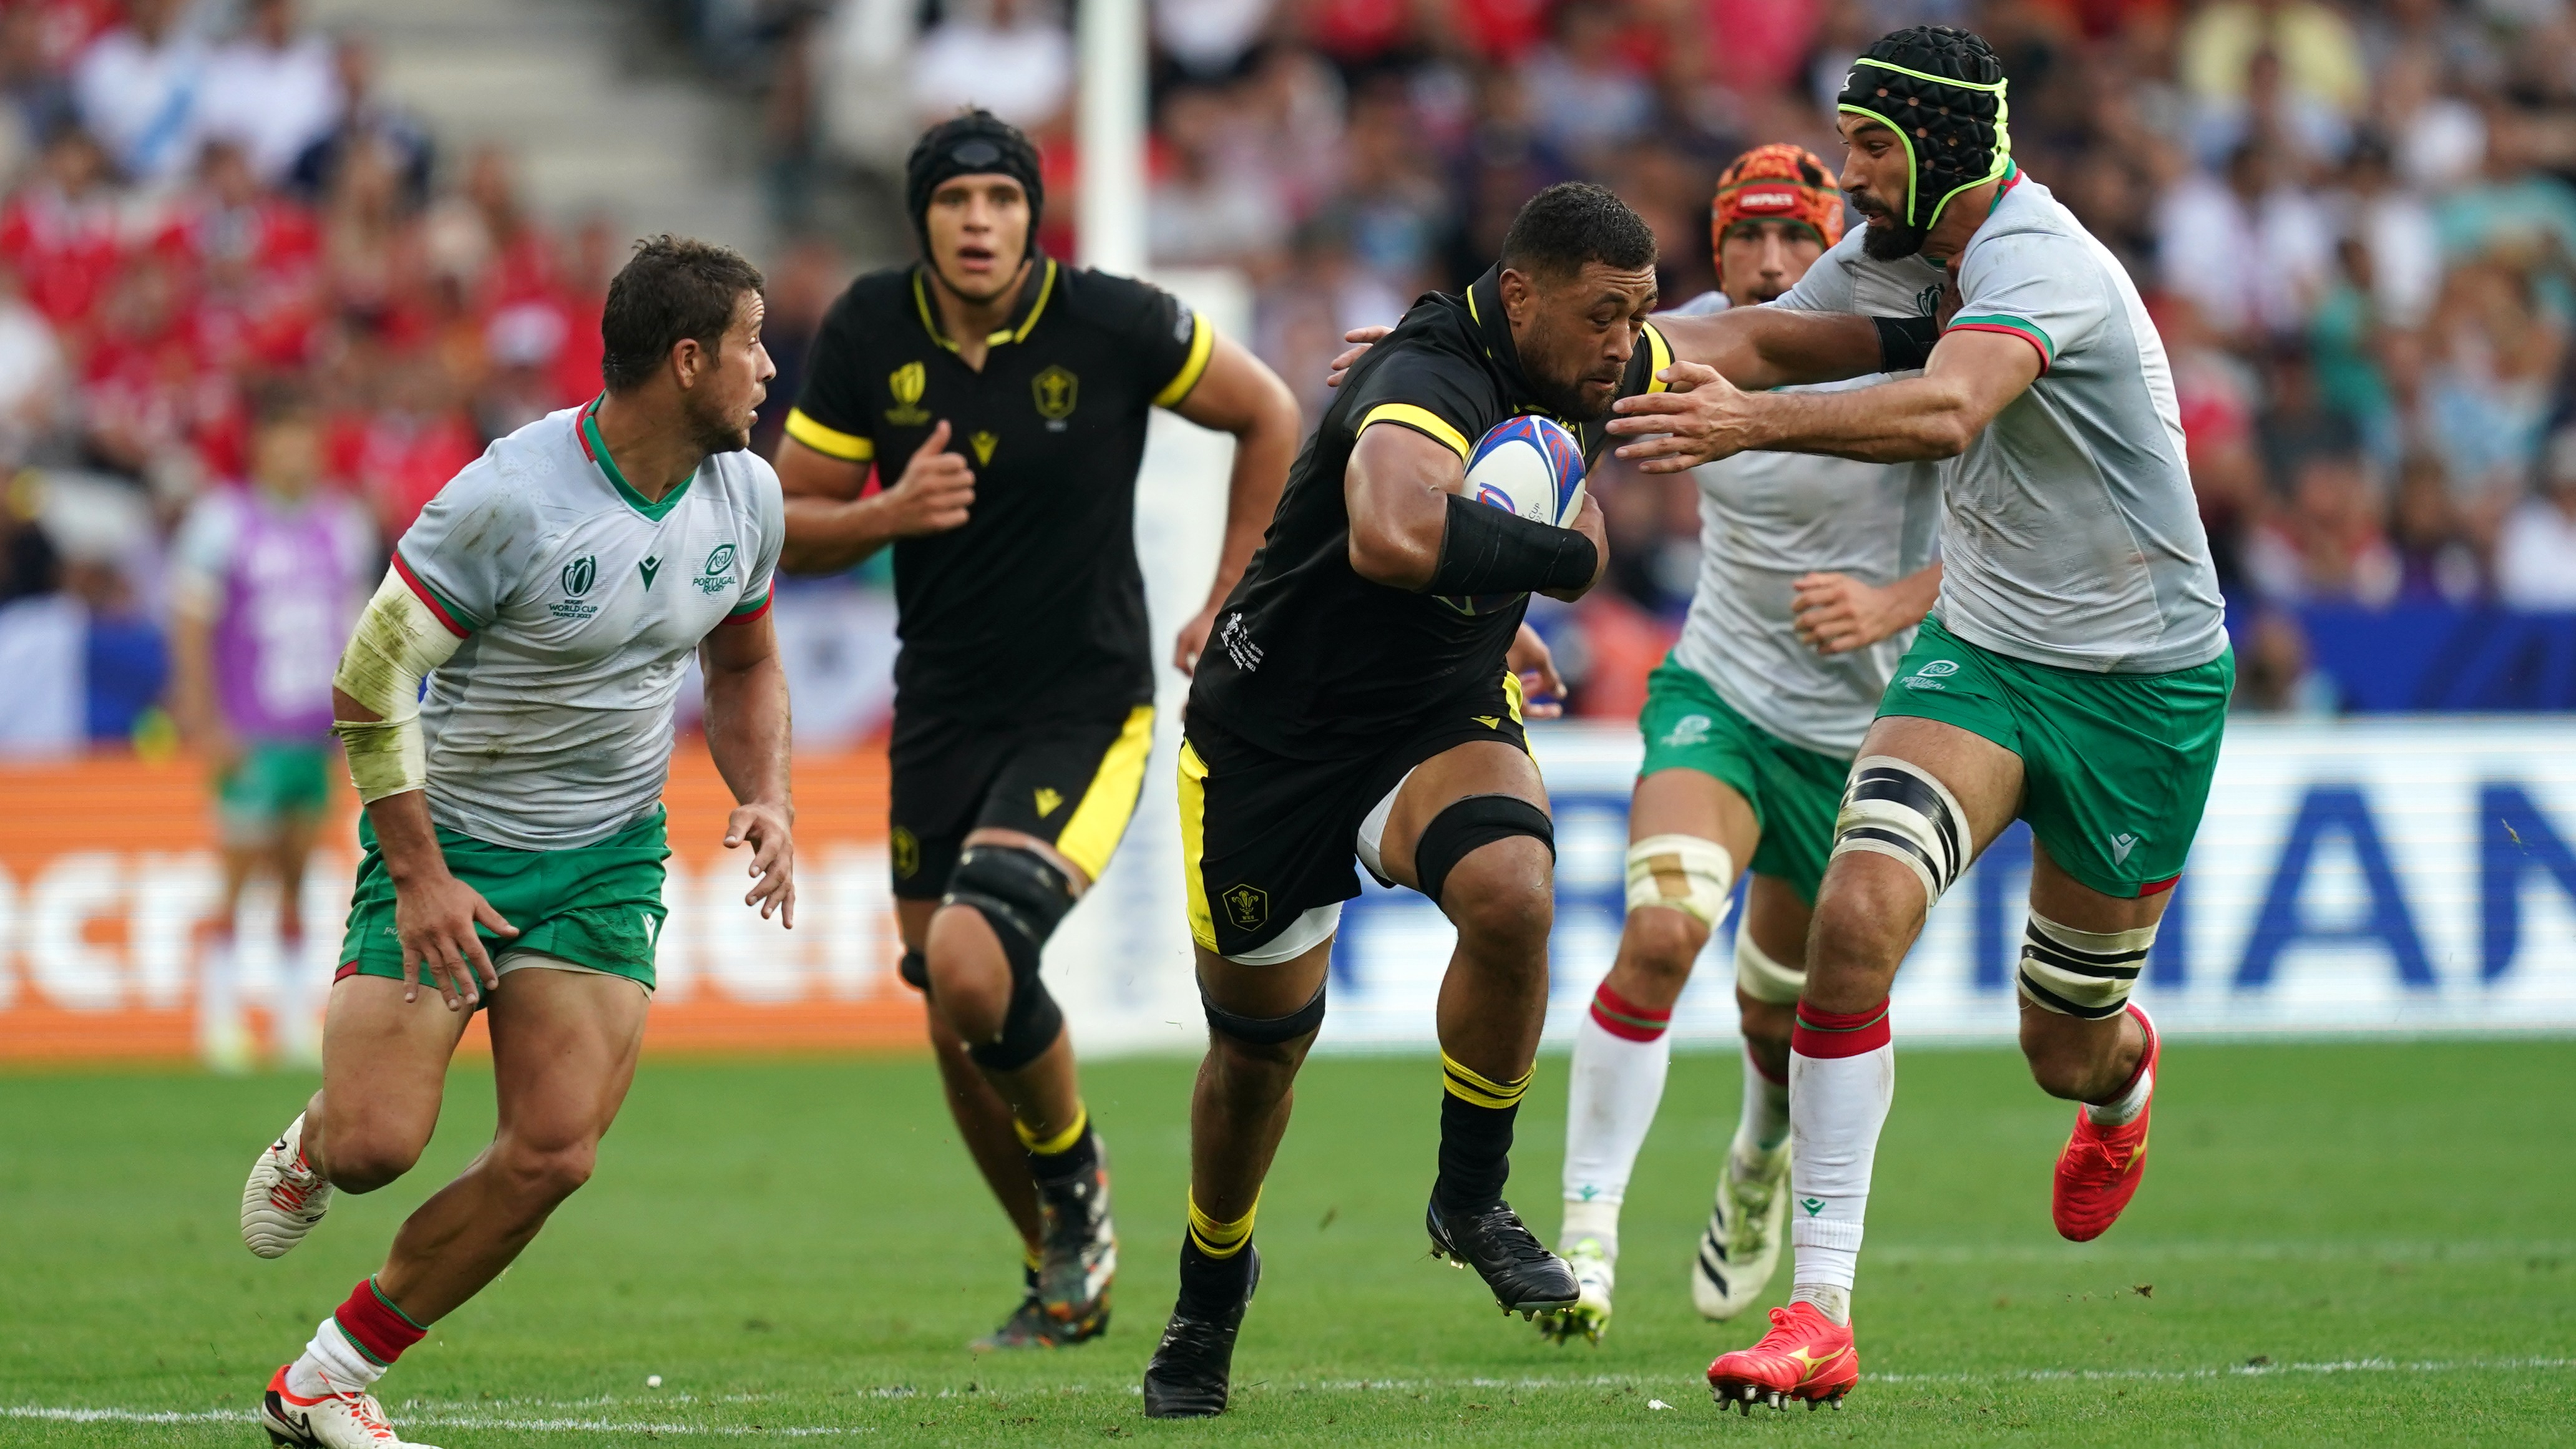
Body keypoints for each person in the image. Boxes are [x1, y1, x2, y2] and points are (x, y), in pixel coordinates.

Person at [1606, 26, 2231, 1410]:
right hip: (1985, 657)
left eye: (1875, 145)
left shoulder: (2040, 262)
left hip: (2144, 689)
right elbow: (1757, 334)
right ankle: (1818, 1311)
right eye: (1849, 138)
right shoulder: (1903, 250)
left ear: (1948, 141)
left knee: (2060, 1042)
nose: (1851, 169)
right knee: (1852, 915)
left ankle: (2121, 1088)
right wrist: (1505, 352)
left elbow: (1950, 409)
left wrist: (1746, 430)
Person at [235, 235, 795, 1449]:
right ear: (688, 358)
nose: (768, 368)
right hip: (457, 843)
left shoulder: (746, 493)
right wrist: (426, 876)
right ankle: (321, 1139)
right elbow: (370, 679)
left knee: (554, 1153)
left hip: (606, 853)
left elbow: (743, 660)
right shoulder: (507, 498)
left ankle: (325, 1380)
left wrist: (770, 795)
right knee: (382, 1144)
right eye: (751, 343)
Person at [773, 109, 1301, 1351]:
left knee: (972, 959)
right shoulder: (866, 330)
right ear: (923, 221)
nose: (978, 223)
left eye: (1001, 201)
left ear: (1031, 216)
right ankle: (1059, 1272)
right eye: (955, 202)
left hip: (1086, 709)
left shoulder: (1112, 321)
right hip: (939, 713)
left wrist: (1231, 587)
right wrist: (889, 513)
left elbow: (1270, 414)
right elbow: (785, 520)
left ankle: (1076, 1187)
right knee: (953, 1015)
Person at [1139, 182, 1646, 1420]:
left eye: (1637, 317)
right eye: (1605, 317)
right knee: (1258, 1057)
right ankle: (1213, 1280)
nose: (1625, 346)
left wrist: (1916, 331)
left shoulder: (1572, 358)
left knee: (1515, 893)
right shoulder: (1425, 375)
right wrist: (1565, 557)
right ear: (1519, 297)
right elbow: (1385, 533)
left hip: (1435, 720)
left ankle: (1469, 1195)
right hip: (1271, 741)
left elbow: (1751, 338)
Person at [1541, 143, 1943, 1345]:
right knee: (1661, 933)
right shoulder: (1686, 345)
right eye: (1743, 237)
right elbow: (1553, 444)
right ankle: (1585, 1237)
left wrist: (1887, 606)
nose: (1768, 262)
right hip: (1719, 695)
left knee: (1787, 1019)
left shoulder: (1908, 351)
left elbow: (2009, 533)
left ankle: (1760, 1151)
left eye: (1794, 237)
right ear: (1710, 252)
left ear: (1838, 245)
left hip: (1864, 739)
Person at [167, 384, 376, 1071]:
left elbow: (354, 628)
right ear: (260, 446)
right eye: (285, 439)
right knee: (237, 874)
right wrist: (205, 719)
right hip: (247, 729)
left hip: (313, 731)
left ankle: (290, 1020)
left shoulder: (341, 524)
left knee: (296, 875)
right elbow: (192, 625)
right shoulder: (222, 522)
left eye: (308, 440)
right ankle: (219, 1018)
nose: (298, 453)